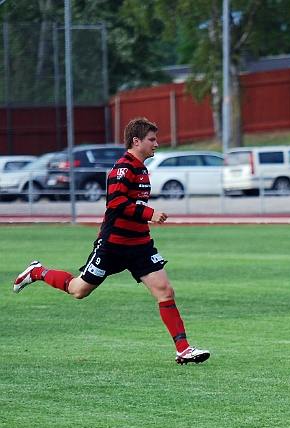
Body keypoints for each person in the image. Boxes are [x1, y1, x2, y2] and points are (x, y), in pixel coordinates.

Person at [13, 117, 210, 365]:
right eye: (152, 139)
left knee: (165, 290)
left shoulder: (142, 169)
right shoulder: (123, 168)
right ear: (136, 141)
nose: (156, 144)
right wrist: (149, 213)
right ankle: (37, 271)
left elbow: (131, 205)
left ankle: (183, 349)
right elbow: (115, 202)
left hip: (140, 245)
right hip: (113, 245)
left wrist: (144, 220)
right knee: (79, 290)